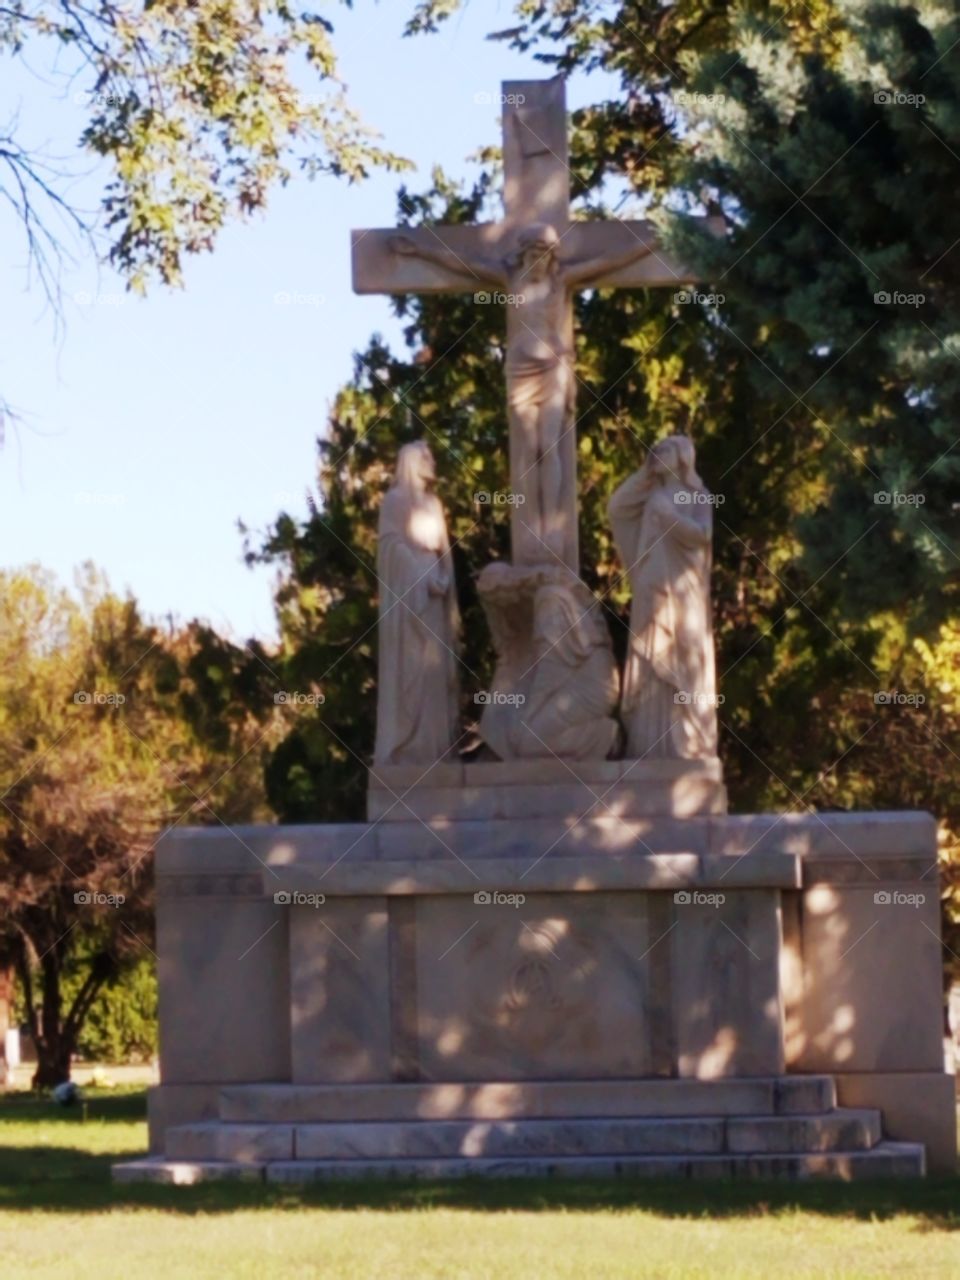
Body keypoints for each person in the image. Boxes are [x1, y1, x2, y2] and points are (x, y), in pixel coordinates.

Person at [608, 435, 718, 759]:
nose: (657, 452)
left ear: (684, 457)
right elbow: (616, 507)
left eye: (666, 448)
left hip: (686, 592)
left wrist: (670, 518)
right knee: (651, 659)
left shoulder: (697, 495)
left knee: (685, 657)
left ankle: (689, 744)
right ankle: (647, 748)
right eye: (655, 449)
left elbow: (703, 534)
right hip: (652, 589)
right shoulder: (650, 496)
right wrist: (644, 476)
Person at [374, 441, 460, 764]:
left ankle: (438, 751)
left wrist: (443, 578)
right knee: (414, 671)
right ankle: (410, 750)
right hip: (411, 597)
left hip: (436, 593)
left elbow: (443, 550)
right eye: (427, 458)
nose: (433, 462)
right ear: (412, 462)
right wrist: (419, 576)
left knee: (435, 671)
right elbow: (390, 548)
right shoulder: (395, 502)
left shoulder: (434, 504)